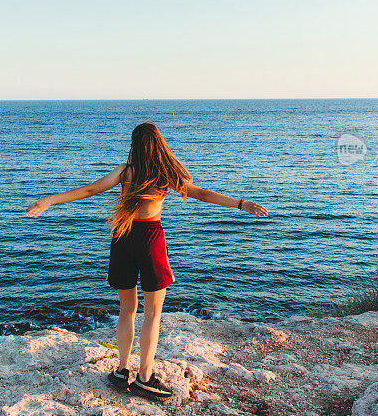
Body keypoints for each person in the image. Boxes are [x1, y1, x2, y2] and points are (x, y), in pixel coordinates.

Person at [26, 123, 268, 400]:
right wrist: (240, 204)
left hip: (123, 237)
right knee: (153, 313)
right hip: (150, 239)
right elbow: (200, 194)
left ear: (134, 145)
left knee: (127, 309)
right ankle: (144, 377)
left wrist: (49, 201)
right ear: (159, 144)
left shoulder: (125, 171)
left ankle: (121, 370)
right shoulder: (165, 174)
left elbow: (90, 190)